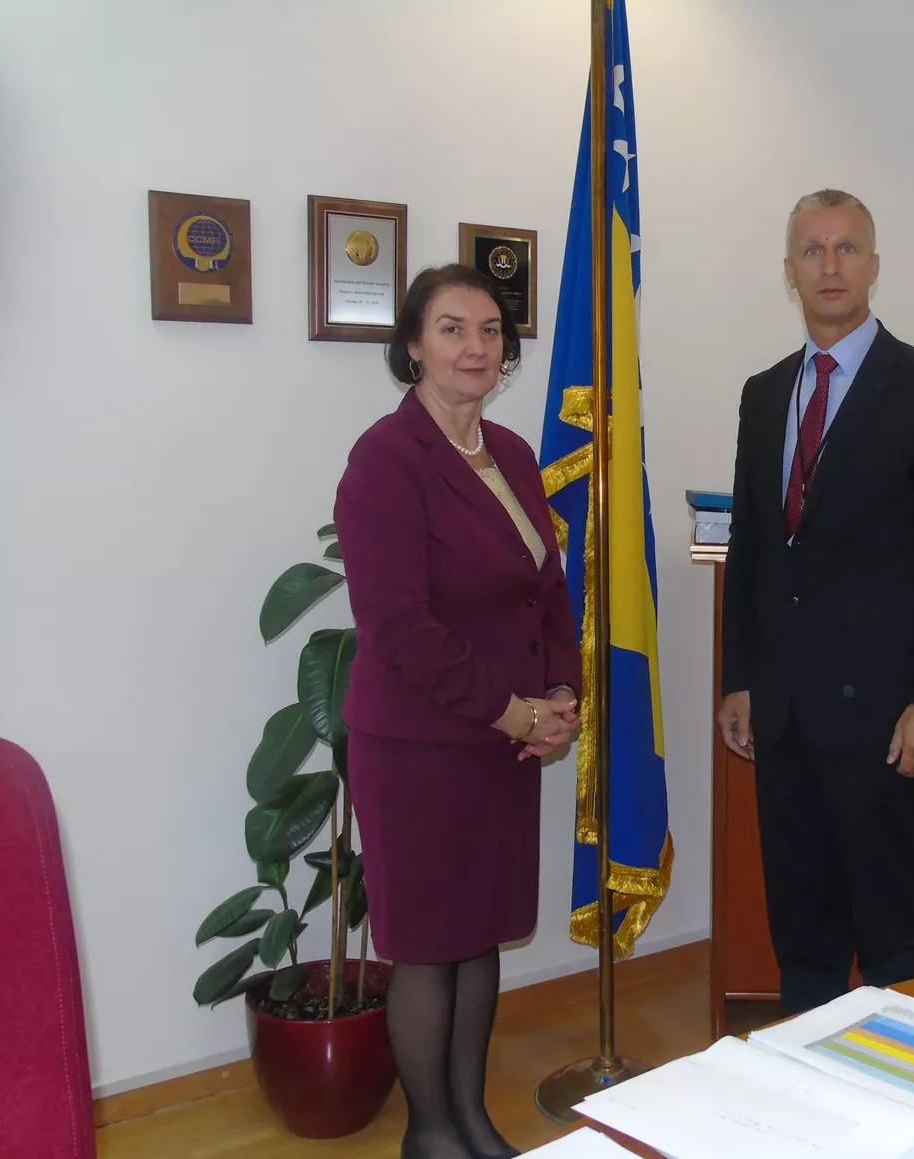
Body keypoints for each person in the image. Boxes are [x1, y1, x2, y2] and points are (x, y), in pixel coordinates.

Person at [717, 189, 914, 1017]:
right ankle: (809, 1078)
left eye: (847, 248)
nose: (830, 265)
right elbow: (754, 547)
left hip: (884, 719)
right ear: (790, 271)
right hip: (784, 715)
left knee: (892, 932)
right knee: (801, 930)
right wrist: (740, 677)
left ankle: (900, 1083)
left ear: (874, 266)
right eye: (813, 250)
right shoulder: (764, 393)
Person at [335, 263, 580, 1159]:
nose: (474, 347)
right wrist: (514, 713)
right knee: (430, 945)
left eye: (489, 330)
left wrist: (562, 692)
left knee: (479, 937)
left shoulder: (511, 453)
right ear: (413, 345)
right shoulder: (385, 460)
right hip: (420, 748)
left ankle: (472, 1117)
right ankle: (432, 1134)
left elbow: (546, 588)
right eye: (451, 328)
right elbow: (398, 627)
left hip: (501, 747)